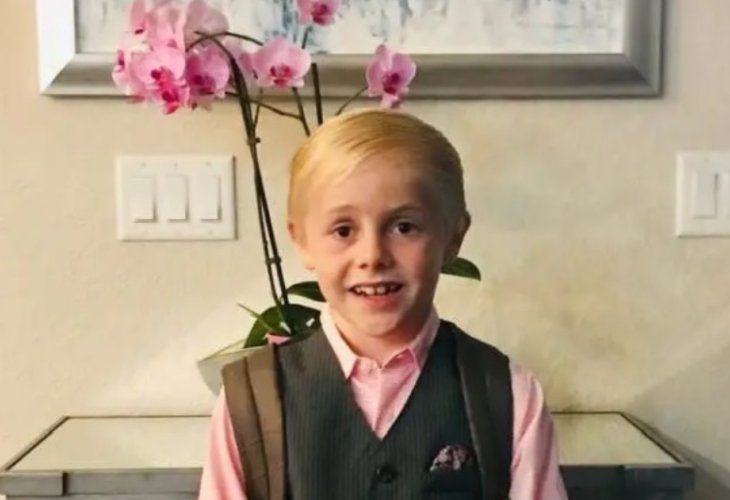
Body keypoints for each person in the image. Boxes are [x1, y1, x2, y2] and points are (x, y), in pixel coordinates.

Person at [198, 108, 568, 500]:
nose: (372, 256)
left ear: (453, 237)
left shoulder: (508, 394)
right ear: (302, 241)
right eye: (343, 230)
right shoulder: (250, 400)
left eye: (404, 227)